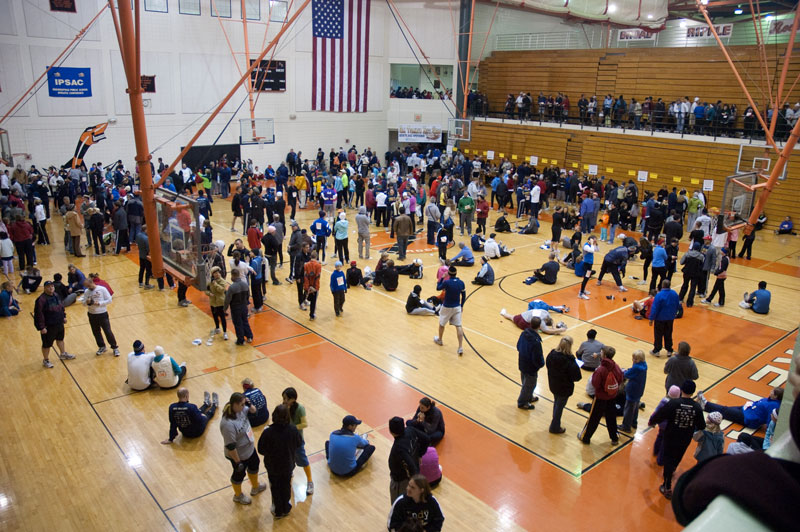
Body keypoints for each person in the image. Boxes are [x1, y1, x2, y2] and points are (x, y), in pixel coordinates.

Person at [647, 379, 705, 499]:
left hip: (671, 436)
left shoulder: (673, 404)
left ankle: (667, 485)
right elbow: (702, 426)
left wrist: (652, 421)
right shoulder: (696, 407)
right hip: (685, 438)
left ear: (682, 390)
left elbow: (660, 415)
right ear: (693, 391)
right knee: (676, 458)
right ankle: (670, 472)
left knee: (668, 459)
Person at [220, 393, 266, 505]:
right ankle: (238, 496)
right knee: (239, 475)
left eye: (244, 404)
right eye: (241, 404)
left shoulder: (241, 409)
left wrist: (249, 404)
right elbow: (230, 446)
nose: (243, 406)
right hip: (238, 455)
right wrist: (238, 462)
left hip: (249, 448)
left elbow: (254, 411)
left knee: (254, 465)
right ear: (234, 404)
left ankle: (255, 487)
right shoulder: (227, 424)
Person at [257, 404, 301, 518]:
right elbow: (299, 443)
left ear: (274, 416)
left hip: (273, 466)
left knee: (275, 487)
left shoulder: (268, 432)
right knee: (286, 485)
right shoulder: (293, 429)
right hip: (288, 464)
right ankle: (286, 508)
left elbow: (261, 449)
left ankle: (278, 510)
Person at [578, 346, 623, 445]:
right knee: (611, 418)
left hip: (600, 397)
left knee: (594, 418)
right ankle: (614, 438)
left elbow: (595, 383)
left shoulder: (600, 369)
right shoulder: (616, 366)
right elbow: (620, 379)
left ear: (604, 355)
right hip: (612, 397)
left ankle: (586, 437)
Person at [388, 416, 430, 503]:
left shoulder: (398, 448)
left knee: (399, 504)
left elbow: (410, 466)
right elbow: (426, 439)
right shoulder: (410, 430)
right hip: (413, 473)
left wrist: (413, 482)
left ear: (391, 431)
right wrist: (420, 455)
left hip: (402, 481)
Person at [697, 386, 783, 429]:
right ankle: (705, 406)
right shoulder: (769, 400)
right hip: (746, 409)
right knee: (726, 410)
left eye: (772, 392)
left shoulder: (774, 406)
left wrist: (760, 423)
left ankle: (705, 404)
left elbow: (771, 420)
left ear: (775, 396)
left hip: (748, 418)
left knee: (725, 410)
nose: (770, 391)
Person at [34, 280, 74, 368]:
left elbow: (61, 307)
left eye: (52, 286)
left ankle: (63, 354)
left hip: (59, 323)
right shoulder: (41, 300)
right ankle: (46, 360)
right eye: (48, 286)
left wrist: (63, 316)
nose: (51, 288)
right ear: (44, 288)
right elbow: (38, 314)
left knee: (60, 339)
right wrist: (41, 327)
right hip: (49, 326)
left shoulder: (56, 295)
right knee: (47, 344)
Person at [545, 336, 582, 433]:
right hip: (564, 388)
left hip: (553, 384)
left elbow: (547, 365)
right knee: (560, 406)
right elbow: (577, 377)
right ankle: (554, 427)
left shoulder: (551, 355)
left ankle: (555, 422)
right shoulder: (570, 361)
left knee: (557, 403)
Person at [282, 387, 314, 495]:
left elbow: (305, 424)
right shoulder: (284, 407)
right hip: (287, 440)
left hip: (297, 440)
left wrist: (292, 428)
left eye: (286, 398)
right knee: (288, 459)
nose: (284, 400)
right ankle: (289, 473)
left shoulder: (300, 408)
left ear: (293, 399)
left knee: (303, 461)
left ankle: (310, 481)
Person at [433, 265, 466, 355]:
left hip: (447, 306)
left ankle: (440, 340)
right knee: (458, 326)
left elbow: (438, 287)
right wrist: (462, 305)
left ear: (448, 273)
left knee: (442, 324)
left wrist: (442, 278)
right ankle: (460, 347)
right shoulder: (461, 283)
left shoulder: (447, 282)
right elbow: (464, 295)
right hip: (457, 306)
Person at [83, 277, 119, 356]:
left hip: (102, 313)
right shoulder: (86, 291)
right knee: (96, 332)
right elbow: (83, 303)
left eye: (89, 286)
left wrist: (99, 303)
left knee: (107, 331)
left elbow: (109, 300)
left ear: (92, 282)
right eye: (87, 287)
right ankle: (101, 346)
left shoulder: (102, 289)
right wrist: (87, 302)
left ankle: (115, 347)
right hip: (92, 314)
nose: (88, 288)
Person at [516, 316, 544, 410]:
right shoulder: (536, 342)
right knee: (529, 385)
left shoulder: (524, 334)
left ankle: (529, 397)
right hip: (530, 367)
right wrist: (541, 364)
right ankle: (522, 402)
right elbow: (537, 357)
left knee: (525, 382)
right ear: (539, 326)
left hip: (522, 362)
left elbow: (518, 346)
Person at [649, 280, 680, 357]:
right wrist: (675, 313)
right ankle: (669, 350)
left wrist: (651, 319)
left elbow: (655, 308)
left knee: (658, 334)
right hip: (670, 318)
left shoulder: (659, 295)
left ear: (662, 285)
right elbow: (678, 305)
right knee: (668, 333)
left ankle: (656, 350)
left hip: (660, 319)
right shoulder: (674, 294)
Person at [619, 350, 647, 433]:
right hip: (639, 389)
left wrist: (625, 371)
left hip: (632, 390)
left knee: (629, 408)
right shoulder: (644, 365)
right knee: (635, 407)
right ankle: (634, 422)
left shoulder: (636, 367)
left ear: (640, 359)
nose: (633, 360)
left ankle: (626, 426)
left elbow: (626, 375)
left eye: (636, 359)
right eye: (633, 358)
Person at [206, 266, 228, 341]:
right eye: (215, 273)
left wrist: (215, 284)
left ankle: (225, 332)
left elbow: (221, 290)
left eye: (218, 272)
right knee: (215, 316)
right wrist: (209, 294)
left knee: (222, 317)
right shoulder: (210, 281)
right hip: (213, 302)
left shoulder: (223, 281)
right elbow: (206, 290)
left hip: (220, 302)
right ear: (212, 274)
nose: (217, 274)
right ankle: (217, 328)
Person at [303, 251, 322, 320]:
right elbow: (317, 277)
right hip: (314, 286)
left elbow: (305, 276)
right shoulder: (318, 265)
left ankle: (304, 305)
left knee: (309, 298)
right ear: (317, 257)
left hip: (308, 285)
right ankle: (312, 315)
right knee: (314, 301)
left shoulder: (306, 265)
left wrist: (307, 287)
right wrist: (315, 287)